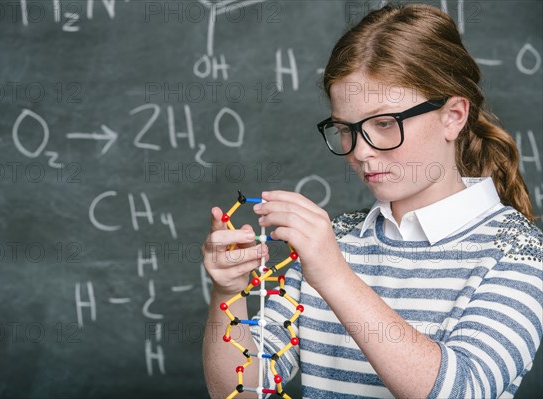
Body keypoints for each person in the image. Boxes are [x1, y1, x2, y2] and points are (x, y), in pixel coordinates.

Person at [202, 3, 542, 398]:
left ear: (453, 116)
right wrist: (228, 293)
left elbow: (464, 390)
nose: (360, 152)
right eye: (345, 129)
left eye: (384, 124)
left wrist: (334, 276)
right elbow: (242, 389)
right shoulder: (338, 241)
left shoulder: (517, 251)